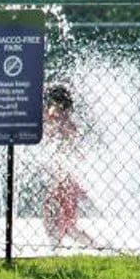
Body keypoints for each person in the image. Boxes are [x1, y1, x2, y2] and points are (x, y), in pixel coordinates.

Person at [42, 82, 97, 248]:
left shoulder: (61, 123)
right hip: (66, 176)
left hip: (65, 176)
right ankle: (96, 245)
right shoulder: (63, 121)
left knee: (55, 214)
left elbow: (69, 149)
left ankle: (57, 245)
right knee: (65, 221)